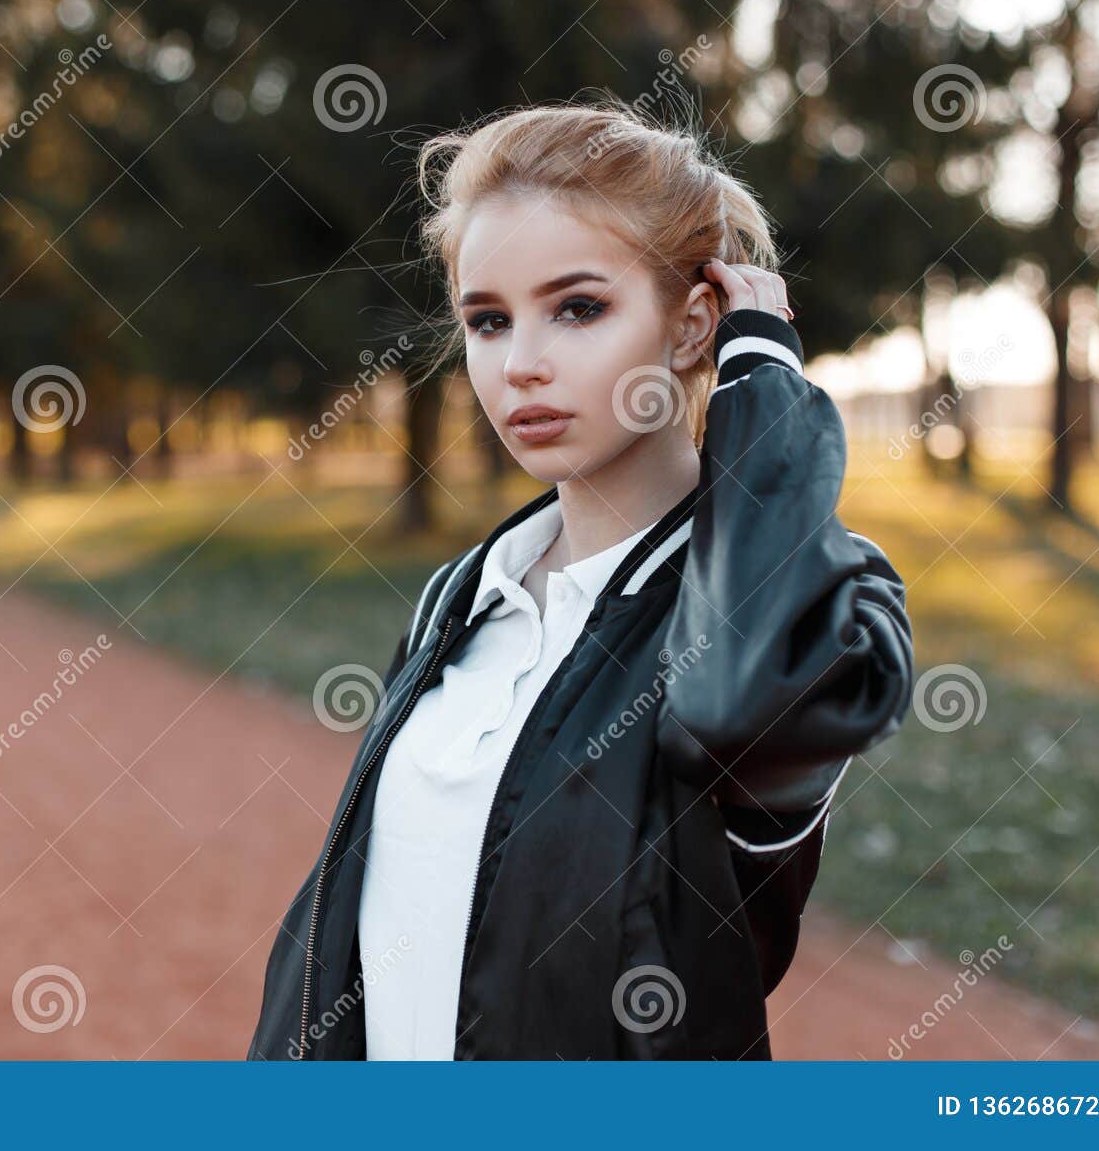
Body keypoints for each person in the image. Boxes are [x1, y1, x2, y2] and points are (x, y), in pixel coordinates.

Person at [248, 99, 914, 1060]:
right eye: (487, 319)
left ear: (693, 329)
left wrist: (762, 373)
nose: (520, 365)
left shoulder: (819, 602)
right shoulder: (466, 596)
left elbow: (735, 701)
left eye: (578, 307)